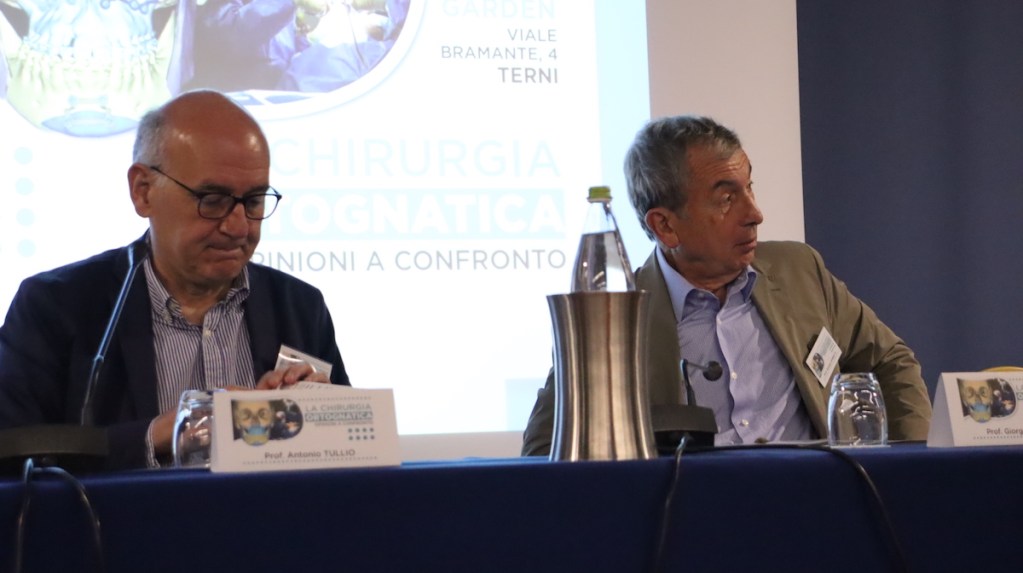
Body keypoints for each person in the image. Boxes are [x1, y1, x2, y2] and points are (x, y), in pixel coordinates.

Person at [522, 115, 932, 454]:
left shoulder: (799, 271)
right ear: (665, 226)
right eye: (726, 199)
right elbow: (543, 448)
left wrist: (908, 465)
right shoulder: (616, 321)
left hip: (815, 501)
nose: (755, 214)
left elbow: (890, 362)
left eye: (749, 187)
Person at [0, 90, 350, 469]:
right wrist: (164, 434)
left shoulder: (300, 307)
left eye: (254, 201)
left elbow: (352, 465)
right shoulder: (55, 307)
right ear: (143, 191)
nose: (238, 227)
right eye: (212, 200)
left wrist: (320, 420)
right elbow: (12, 452)